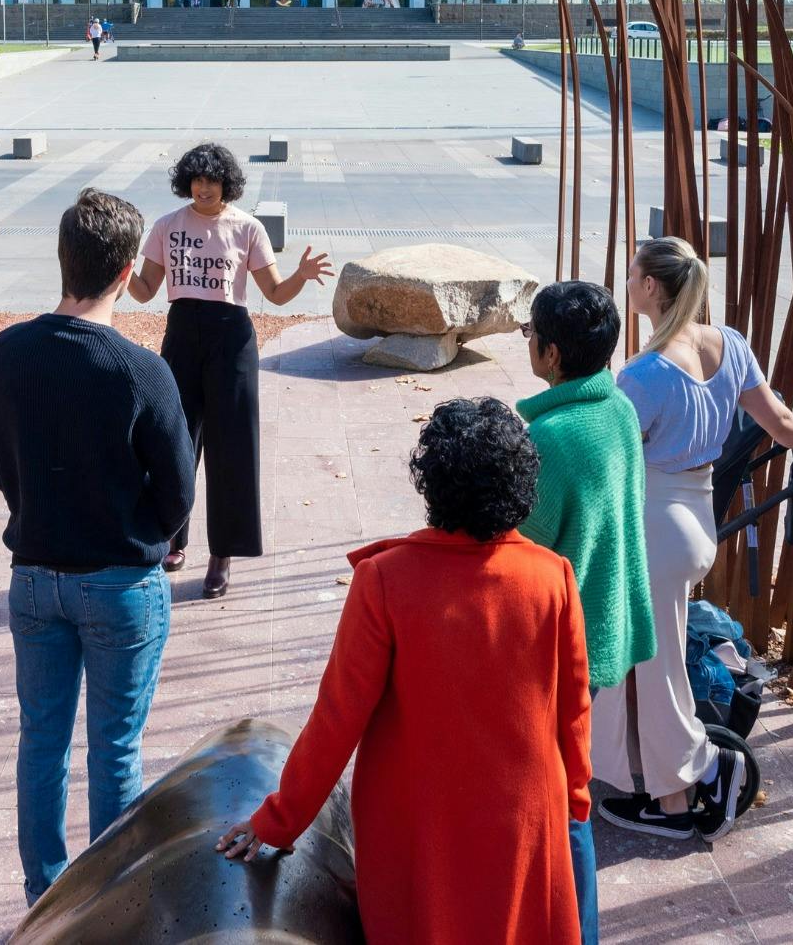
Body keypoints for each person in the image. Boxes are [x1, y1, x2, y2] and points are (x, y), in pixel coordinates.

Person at [218, 398, 592, 944]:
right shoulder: (552, 576)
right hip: (524, 820)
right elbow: (574, 708)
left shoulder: (386, 581)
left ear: (431, 484)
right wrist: (575, 799)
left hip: (419, 827)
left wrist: (278, 819)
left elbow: (336, 721)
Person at [0, 189, 198, 906]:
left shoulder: (6, 352)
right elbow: (176, 493)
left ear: (62, 257)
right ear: (129, 268)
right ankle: (110, 901)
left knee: (40, 742)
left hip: (34, 574)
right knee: (113, 749)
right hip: (118, 579)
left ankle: (44, 894)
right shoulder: (140, 370)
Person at [595, 237, 793, 841]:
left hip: (655, 523)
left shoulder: (645, 373)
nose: (628, 283)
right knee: (645, 655)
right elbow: (776, 417)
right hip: (697, 518)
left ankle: (679, 796)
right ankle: (634, 766)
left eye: (633, 275)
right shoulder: (728, 344)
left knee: (657, 665)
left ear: (651, 287)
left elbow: (611, 456)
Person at [517, 281, 657, 945]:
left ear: (548, 352)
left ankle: (577, 930)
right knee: (564, 790)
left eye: (528, 337)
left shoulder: (550, 437)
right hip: (601, 625)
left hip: (553, 646)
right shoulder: (617, 408)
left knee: (563, 802)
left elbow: (515, 549)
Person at [129, 143, 331, 599]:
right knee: (174, 440)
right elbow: (144, 291)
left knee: (233, 448)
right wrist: (118, 270)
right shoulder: (167, 226)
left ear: (227, 184)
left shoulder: (247, 228)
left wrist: (300, 274)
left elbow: (275, 294)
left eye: (212, 180)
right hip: (181, 334)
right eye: (197, 180)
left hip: (232, 340)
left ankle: (223, 553)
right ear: (187, 182)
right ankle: (171, 538)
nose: (204, 187)